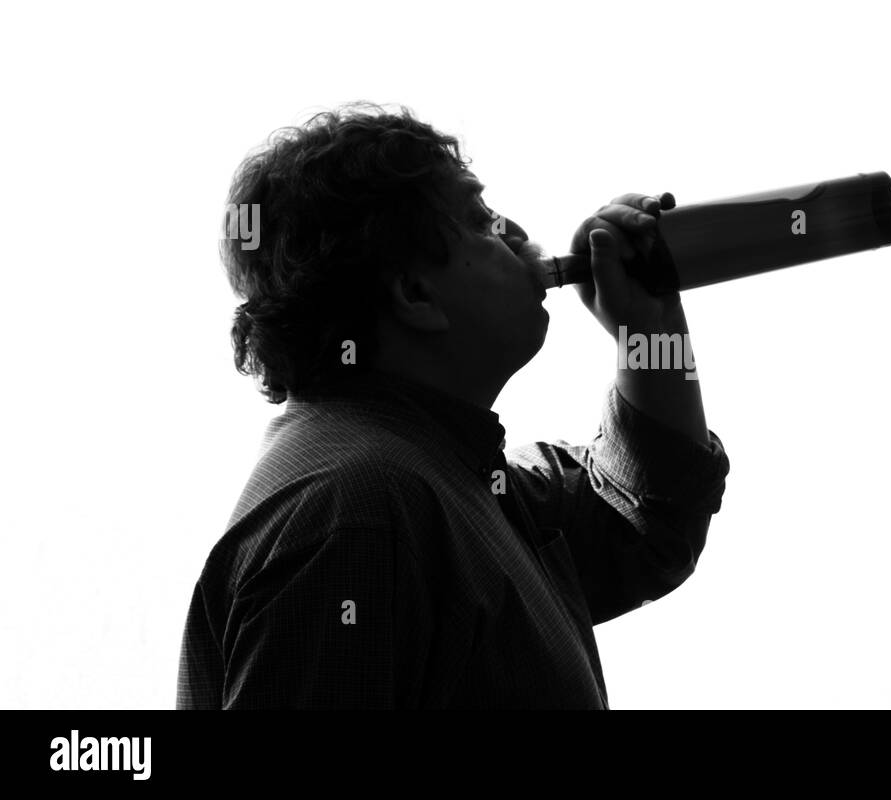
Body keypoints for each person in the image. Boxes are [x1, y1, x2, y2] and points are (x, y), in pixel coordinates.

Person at [175, 104, 730, 709]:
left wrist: (648, 329)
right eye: (481, 220)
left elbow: (649, 518)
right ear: (415, 294)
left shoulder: (450, 483)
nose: (515, 231)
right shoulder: (357, 510)